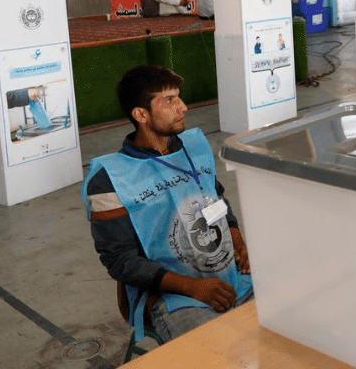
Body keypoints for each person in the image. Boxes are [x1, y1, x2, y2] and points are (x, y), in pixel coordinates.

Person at [82, 65, 252, 344]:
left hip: (231, 275)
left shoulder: (194, 146)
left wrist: (235, 236)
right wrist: (192, 287)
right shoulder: (109, 180)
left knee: (284, 327)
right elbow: (119, 261)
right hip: (174, 296)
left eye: (179, 97)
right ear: (141, 115)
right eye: (169, 100)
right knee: (220, 351)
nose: (183, 107)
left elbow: (215, 194)